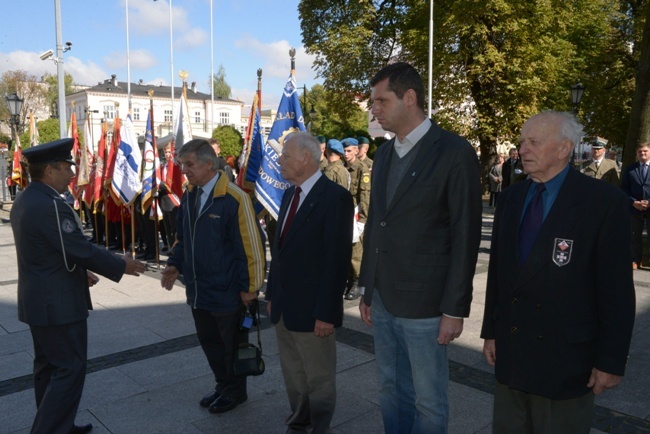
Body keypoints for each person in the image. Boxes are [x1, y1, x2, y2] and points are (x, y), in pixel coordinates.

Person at [481, 111, 636, 434]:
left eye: (533, 142)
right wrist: (491, 332)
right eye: (523, 141)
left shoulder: (603, 202)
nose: (523, 149)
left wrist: (610, 361)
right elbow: (499, 272)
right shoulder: (510, 198)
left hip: (566, 361)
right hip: (512, 353)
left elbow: (617, 291)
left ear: (564, 148)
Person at [359, 62, 482, 433]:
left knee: (428, 399)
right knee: (390, 388)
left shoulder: (453, 152)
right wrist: (367, 287)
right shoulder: (382, 155)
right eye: (372, 101)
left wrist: (454, 309)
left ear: (409, 98)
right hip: (381, 299)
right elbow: (377, 226)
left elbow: (465, 235)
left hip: (426, 306)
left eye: (381, 100)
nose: (373, 109)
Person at [10, 138, 146, 434]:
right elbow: (79, 249)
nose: (73, 174)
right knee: (69, 369)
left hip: (39, 300)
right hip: (57, 304)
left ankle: (59, 424)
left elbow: (47, 250)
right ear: (50, 170)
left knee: (48, 368)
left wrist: (76, 270)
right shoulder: (49, 206)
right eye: (67, 167)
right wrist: (122, 264)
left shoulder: (27, 198)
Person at [161, 139, 265, 414]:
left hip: (228, 291)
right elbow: (182, 238)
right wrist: (174, 264)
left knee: (232, 345)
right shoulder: (190, 195)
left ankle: (235, 391)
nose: (185, 170)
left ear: (209, 164)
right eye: (183, 164)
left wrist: (251, 288)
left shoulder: (234, 197)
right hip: (199, 290)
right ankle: (222, 384)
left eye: (190, 164)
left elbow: (252, 246)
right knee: (210, 344)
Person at [266, 132, 354, 434]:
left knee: (318, 376)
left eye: (285, 155)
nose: (279, 160)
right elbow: (280, 251)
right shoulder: (290, 194)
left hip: (314, 309)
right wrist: (271, 293)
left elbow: (336, 260)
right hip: (284, 305)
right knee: (292, 371)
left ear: (305, 158)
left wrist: (327, 313)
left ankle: (320, 425)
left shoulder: (335, 197)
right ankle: (300, 418)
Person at [342, 137, 371, 300]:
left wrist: (363, 219)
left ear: (356, 150)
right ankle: (348, 279)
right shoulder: (344, 168)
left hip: (356, 213)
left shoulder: (362, 168)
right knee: (345, 249)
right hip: (345, 213)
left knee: (356, 251)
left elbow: (365, 194)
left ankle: (356, 281)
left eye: (349, 151)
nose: (346, 154)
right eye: (344, 151)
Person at [621, 142, 650, 269]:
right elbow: (624, 188)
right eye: (640, 152)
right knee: (634, 235)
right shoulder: (630, 169)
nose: (642, 153)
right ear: (636, 154)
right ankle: (636, 260)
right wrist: (633, 202)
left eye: (645, 151)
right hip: (634, 207)